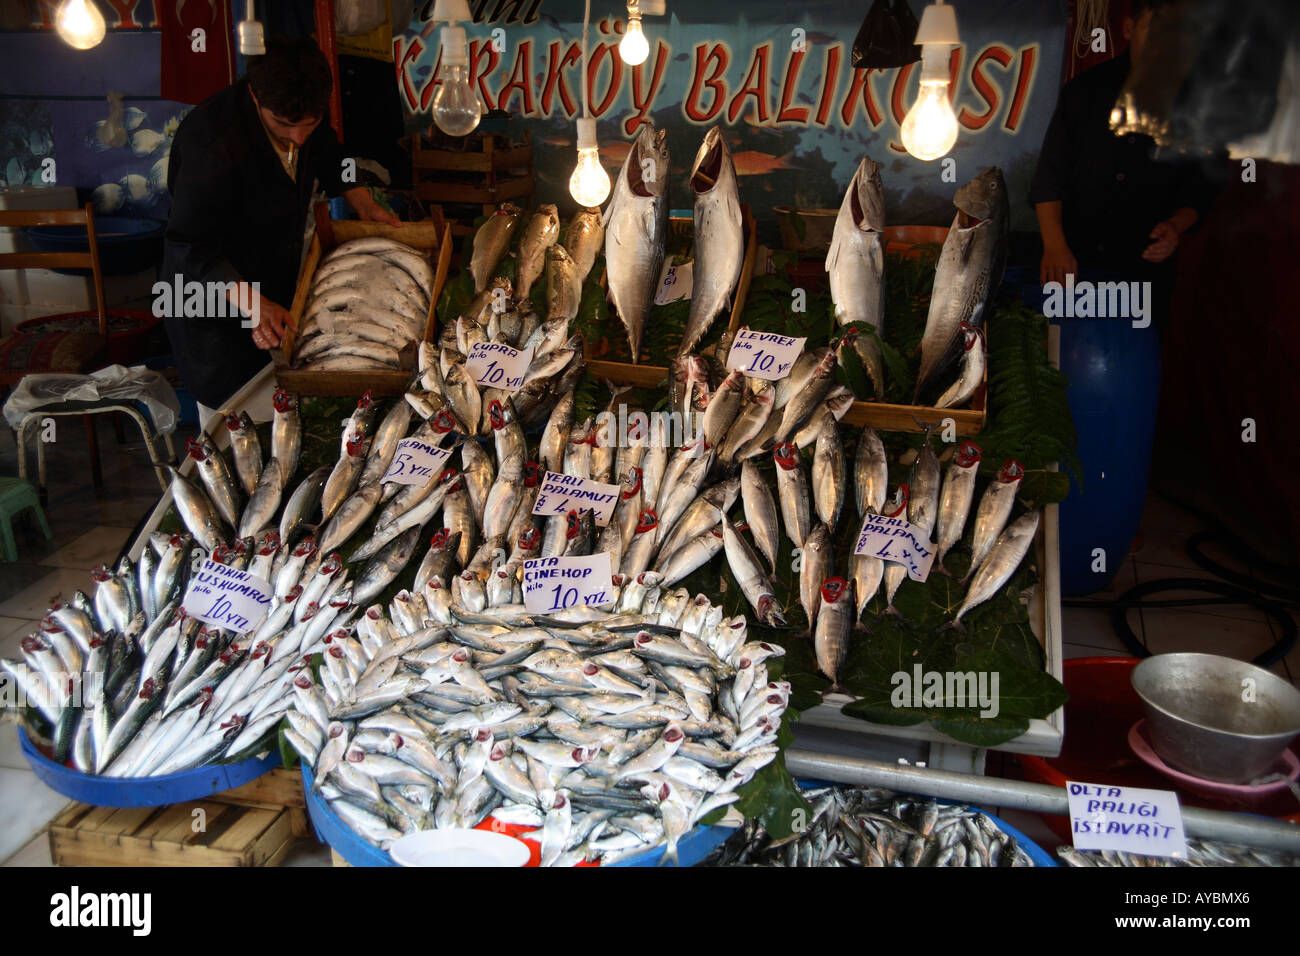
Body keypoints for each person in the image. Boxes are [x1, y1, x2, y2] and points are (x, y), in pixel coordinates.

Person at [162, 36, 399, 422]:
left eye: (311, 123)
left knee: (287, 412)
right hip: (214, 305)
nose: (299, 137)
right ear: (256, 97)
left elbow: (330, 151)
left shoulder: (302, 114)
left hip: (276, 284)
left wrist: (360, 197)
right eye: (285, 126)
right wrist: (253, 304)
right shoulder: (212, 142)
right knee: (237, 427)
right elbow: (190, 244)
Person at [1029, 0, 1215, 329]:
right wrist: (1054, 246)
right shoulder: (1084, 91)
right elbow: (1049, 176)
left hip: (1144, 266)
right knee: (1062, 355)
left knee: (1132, 360)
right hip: (1074, 258)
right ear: (1129, 29)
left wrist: (1175, 227)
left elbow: (1204, 185)